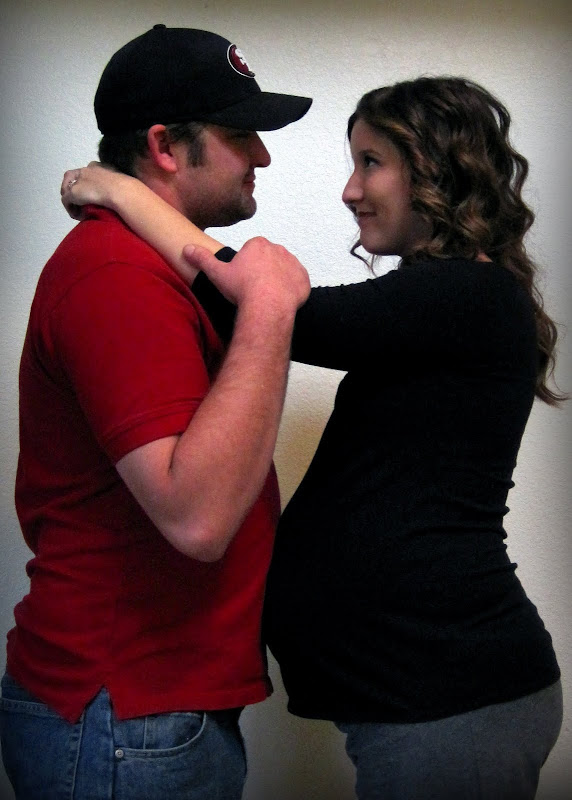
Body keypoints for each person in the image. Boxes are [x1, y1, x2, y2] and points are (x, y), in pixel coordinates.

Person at [59, 76, 565, 799]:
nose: (350, 191)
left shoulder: (468, 294)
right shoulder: (449, 299)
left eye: (371, 162)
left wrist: (122, 193)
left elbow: (266, 309)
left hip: (455, 700)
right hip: (432, 700)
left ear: (436, 166)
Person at [0, 24, 312, 800]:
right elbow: (197, 517)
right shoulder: (115, 276)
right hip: (125, 720)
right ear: (166, 146)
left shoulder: (151, 263)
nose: (263, 157)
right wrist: (270, 306)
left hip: (146, 713)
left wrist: (115, 189)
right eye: (240, 136)